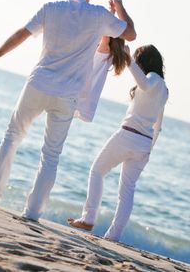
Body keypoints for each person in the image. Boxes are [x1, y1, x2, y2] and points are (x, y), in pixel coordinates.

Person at [0, 0, 136, 222]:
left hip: (39, 83)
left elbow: (22, 33)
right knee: (50, 155)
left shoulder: (51, 9)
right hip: (67, 95)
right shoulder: (98, 16)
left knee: (13, 134)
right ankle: (32, 212)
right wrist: (120, 8)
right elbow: (130, 35)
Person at [68, 44, 168, 242]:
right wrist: (150, 149)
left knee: (97, 170)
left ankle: (88, 218)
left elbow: (145, 84)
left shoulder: (152, 80)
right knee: (127, 190)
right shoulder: (164, 89)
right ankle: (113, 235)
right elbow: (159, 125)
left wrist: (128, 57)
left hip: (129, 135)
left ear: (144, 62)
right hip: (145, 143)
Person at [74, 35, 131, 123]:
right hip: (86, 96)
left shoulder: (104, 49)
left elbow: (106, 34)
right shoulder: (111, 55)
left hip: (78, 93)